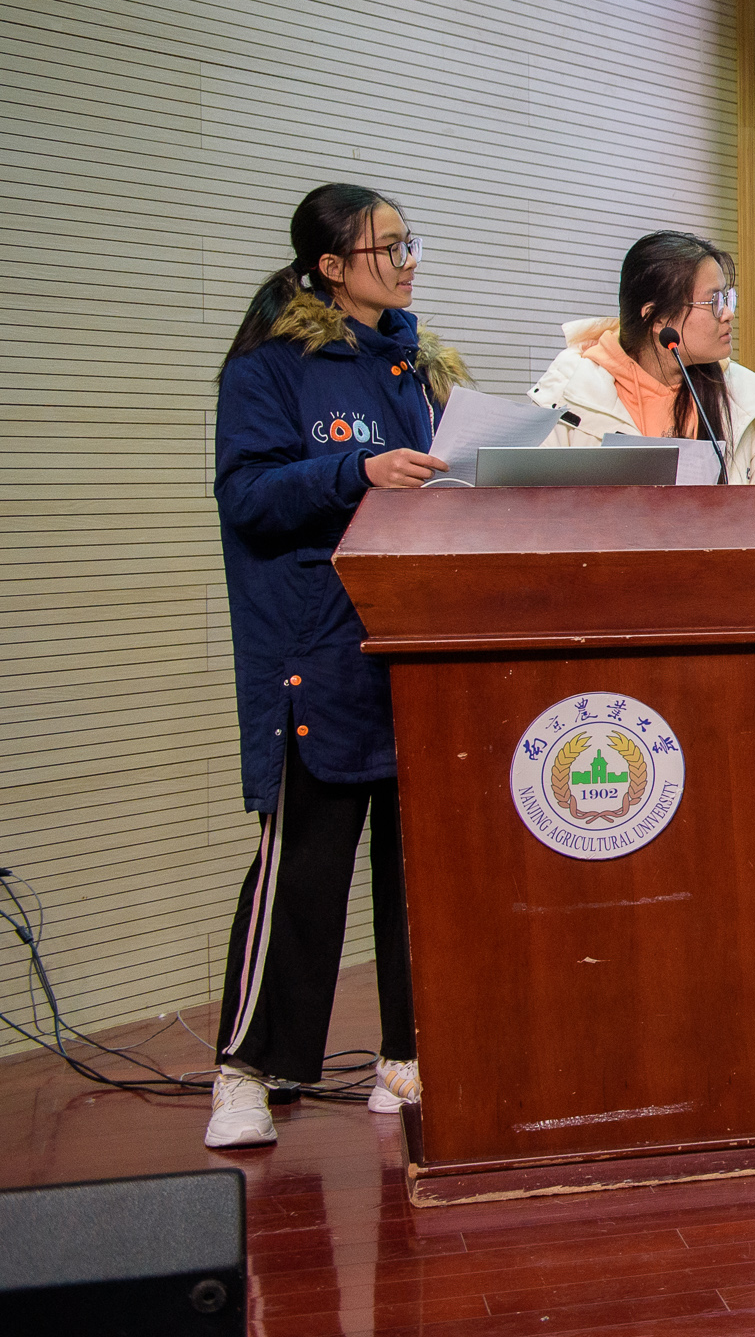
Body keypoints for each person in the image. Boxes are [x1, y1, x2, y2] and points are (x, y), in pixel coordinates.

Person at [207, 184, 466, 1149]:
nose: (407, 262)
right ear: (329, 267)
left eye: (410, 243)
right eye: (388, 247)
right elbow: (248, 496)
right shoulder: (273, 364)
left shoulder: (416, 365)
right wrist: (357, 471)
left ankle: (407, 1058)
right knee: (303, 870)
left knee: (417, 868)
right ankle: (246, 1072)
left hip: (414, 645)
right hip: (316, 649)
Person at [527, 232, 755, 484]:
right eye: (714, 301)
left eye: (727, 298)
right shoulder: (566, 393)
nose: (728, 314)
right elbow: (532, 508)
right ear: (658, 318)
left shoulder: (750, 399)